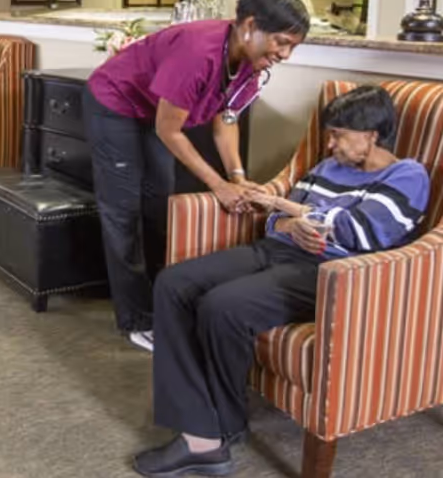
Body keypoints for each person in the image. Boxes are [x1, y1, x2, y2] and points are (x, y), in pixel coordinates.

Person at [134, 86, 430, 478]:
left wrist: (288, 210)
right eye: (329, 133)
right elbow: (277, 223)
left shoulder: (407, 174)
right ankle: (201, 419)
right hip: (278, 249)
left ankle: (209, 439)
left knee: (222, 306)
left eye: (339, 135)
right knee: (173, 282)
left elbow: (361, 232)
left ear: (371, 135)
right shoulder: (326, 168)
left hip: (331, 273)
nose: (330, 143)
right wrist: (292, 222)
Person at [83, 0, 311, 349]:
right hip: (116, 102)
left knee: (159, 204)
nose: (284, 54)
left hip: (154, 112)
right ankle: (136, 318)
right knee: (124, 210)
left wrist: (237, 177)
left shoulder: (251, 63)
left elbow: (227, 119)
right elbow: (168, 129)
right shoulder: (199, 51)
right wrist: (218, 185)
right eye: (281, 42)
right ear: (250, 25)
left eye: (292, 47)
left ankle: (164, 303)